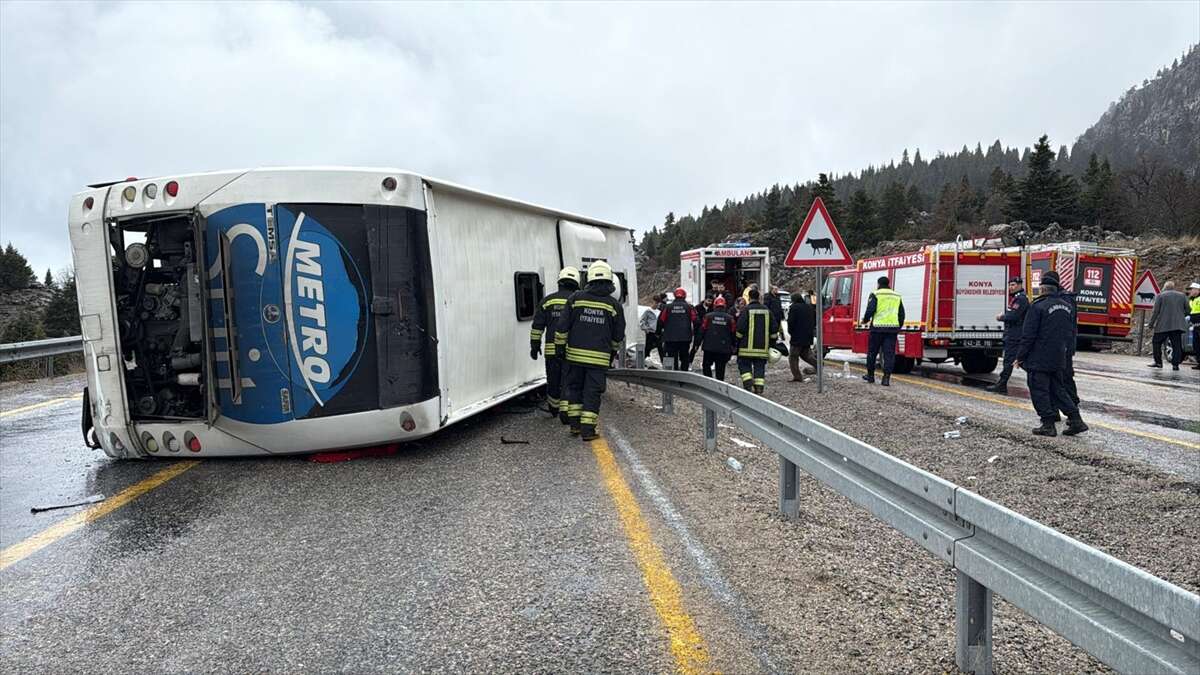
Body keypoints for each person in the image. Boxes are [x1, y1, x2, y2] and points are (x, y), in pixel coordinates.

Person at [555, 260, 626, 441]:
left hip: (574, 357)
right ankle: (588, 430)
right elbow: (618, 335)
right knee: (592, 393)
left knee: (575, 389)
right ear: (610, 281)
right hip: (599, 360)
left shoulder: (575, 299)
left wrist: (560, 348)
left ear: (589, 279)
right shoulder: (614, 305)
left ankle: (575, 426)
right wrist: (611, 353)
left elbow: (562, 327)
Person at [1015, 271, 1087, 437]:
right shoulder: (1067, 306)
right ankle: (1076, 419)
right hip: (1059, 356)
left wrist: (1020, 356)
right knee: (1058, 390)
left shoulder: (1037, 306)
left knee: (1039, 390)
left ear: (1042, 289)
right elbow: (1070, 332)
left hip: (1039, 357)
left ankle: (1048, 424)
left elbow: (1028, 335)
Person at [530, 266, 581, 419]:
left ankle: (554, 408)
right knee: (570, 381)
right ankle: (568, 410)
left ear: (559, 283)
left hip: (551, 352)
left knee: (553, 380)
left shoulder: (547, 301)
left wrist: (534, 346)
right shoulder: (579, 301)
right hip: (573, 352)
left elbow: (537, 327)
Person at [986, 276, 1030, 394]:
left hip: (1015, 336)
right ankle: (1002, 384)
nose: (1011, 287)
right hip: (1013, 335)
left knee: (1012, 360)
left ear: (1020, 285)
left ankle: (1002, 384)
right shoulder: (1016, 298)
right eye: (1010, 285)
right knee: (1015, 360)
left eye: (1013, 285)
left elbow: (1014, 316)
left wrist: (1001, 317)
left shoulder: (1020, 299)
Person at [860, 276, 905, 386]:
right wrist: (898, 326)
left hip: (877, 328)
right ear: (888, 284)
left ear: (879, 284)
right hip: (892, 330)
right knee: (889, 355)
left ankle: (870, 376)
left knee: (872, 353)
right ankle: (886, 379)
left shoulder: (875, 294)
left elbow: (870, 310)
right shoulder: (896, 296)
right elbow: (901, 314)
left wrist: (865, 320)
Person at [735, 288, 779, 394]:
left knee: (743, 365)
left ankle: (748, 382)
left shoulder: (746, 310)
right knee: (759, 367)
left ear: (749, 298)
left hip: (746, 348)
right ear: (759, 298)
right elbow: (774, 329)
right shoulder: (767, 311)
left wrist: (737, 341)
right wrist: (772, 343)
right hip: (762, 348)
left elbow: (740, 328)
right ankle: (759, 387)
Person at [1147, 280, 1190, 371]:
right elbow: (1188, 310)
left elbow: (1155, 312)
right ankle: (1175, 365)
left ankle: (1158, 362)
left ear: (1165, 287)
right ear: (1173, 287)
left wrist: (1151, 324)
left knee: (1156, 342)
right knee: (1177, 345)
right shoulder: (1182, 296)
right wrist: (1180, 317)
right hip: (1177, 326)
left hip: (1163, 325)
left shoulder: (1160, 296)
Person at [696, 296, 736, 381]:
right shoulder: (730, 318)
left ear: (714, 305)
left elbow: (702, 330)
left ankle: (709, 382)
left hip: (709, 347)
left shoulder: (708, 316)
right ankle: (719, 385)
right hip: (723, 348)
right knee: (720, 369)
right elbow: (733, 333)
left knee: (706, 365)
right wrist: (733, 346)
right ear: (725, 306)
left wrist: (697, 343)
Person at [658, 287, 698, 371]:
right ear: (685, 296)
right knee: (684, 357)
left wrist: (659, 333)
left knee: (672, 357)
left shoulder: (668, 307)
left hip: (670, 338)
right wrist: (695, 334)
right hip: (685, 338)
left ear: (674, 296)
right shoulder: (689, 307)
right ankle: (684, 374)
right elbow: (696, 321)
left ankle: (673, 374)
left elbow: (660, 321)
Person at [787, 291, 818, 381]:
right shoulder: (809, 307)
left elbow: (791, 322)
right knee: (805, 355)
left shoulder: (794, 308)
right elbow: (814, 320)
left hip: (797, 336)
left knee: (793, 357)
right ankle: (818, 365)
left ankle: (797, 376)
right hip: (808, 335)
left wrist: (791, 332)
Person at [1188, 282, 1200, 370]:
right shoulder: (1192, 299)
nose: (1190, 291)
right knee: (1196, 344)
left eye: (1192, 289)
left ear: (1197, 290)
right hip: (1195, 325)